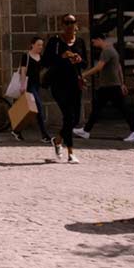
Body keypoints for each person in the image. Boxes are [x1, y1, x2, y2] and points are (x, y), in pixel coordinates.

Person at [42, 13, 88, 164]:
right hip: (58, 84)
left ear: (76, 24)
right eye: (66, 22)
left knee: (74, 120)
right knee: (68, 116)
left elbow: (85, 64)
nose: (69, 25)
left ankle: (58, 140)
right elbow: (46, 61)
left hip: (75, 84)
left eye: (72, 22)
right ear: (62, 25)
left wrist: (79, 60)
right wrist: (62, 56)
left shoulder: (80, 42)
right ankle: (71, 153)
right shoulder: (55, 41)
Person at [76, 32, 134, 143]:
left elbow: (99, 67)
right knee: (97, 108)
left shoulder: (107, 51)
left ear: (99, 39)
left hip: (111, 86)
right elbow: (118, 67)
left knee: (124, 109)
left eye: (94, 41)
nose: (93, 44)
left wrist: (83, 75)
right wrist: (122, 83)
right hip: (109, 86)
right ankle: (85, 131)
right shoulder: (112, 50)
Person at [13, 37, 52, 143]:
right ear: (32, 45)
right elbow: (23, 71)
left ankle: (16, 131)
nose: (40, 47)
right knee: (38, 107)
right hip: (28, 85)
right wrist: (22, 85)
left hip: (36, 85)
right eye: (38, 44)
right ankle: (44, 134)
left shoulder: (41, 57)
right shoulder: (26, 56)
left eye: (42, 45)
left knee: (29, 110)